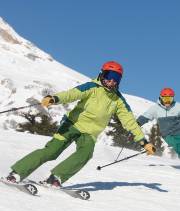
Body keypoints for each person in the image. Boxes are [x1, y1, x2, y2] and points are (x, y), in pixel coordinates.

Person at [6, 61, 155, 187]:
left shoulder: (118, 100)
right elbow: (72, 94)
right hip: (72, 124)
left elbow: (130, 121)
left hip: (90, 133)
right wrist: (54, 98)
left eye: (117, 78)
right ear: (102, 75)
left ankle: (56, 177)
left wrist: (143, 142)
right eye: (110, 76)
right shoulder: (92, 87)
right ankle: (17, 172)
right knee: (51, 152)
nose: (112, 81)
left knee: (85, 154)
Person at [137, 87, 180, 158]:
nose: (167, 101)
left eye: (170, 99)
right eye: (165, 99)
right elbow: (146, 116)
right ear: (161, 97)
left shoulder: (177, 106)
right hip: (168, 135)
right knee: (178, 146)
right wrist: (138, 123)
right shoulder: (155, 108)